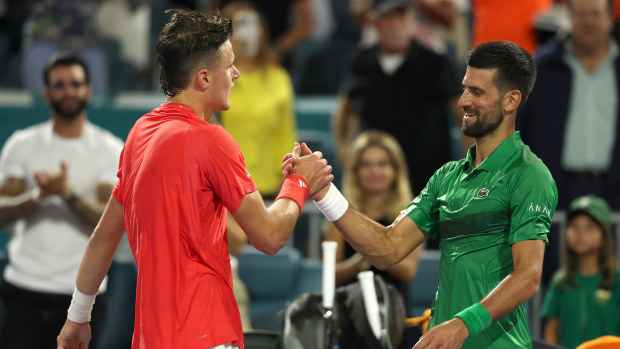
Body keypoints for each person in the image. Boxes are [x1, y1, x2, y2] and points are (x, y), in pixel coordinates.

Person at [56, 9, 332, 349]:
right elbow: (270, 237)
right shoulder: (213, 140)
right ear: (203, 79)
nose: (237, 73)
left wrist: (77, 317)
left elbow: (103, 238)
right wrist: (299, 183)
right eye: (229, 65)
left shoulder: (140, 134)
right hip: (208, 336)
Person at [286, 41, 558, 348]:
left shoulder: (529, 174)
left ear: (511, 101)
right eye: (465, 88)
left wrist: (461, 326)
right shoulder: (447, 177)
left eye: (477, 92)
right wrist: (324, 192)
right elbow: (387, 248)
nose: (464, 101)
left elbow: (528, 276)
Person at [0, 53, 124, 348]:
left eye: (76, 83)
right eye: (59, 85)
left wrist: (65, 194)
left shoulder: (109, 149)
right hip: (23, 290)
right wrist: (37, 197)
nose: (68, 91)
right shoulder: (22, 143)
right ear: (46, 93)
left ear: (88, 90)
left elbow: (108, 223)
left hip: (82, 296)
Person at [335, 0, 468, 199]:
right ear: (375, 23)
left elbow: (464, 115)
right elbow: (343, 115)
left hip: (428, 181)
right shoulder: (360, 62)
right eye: (387, 19)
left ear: (412, 21)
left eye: (401, 18)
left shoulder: (436, 63)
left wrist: (470, 167)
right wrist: (347, 158)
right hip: (376, 187)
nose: (395, 26)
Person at [518, 0, 620, 210]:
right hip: (555, 191)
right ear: (569, 17)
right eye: (581, 13)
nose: (588, 21)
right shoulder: (542, 66)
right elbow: (520, 130)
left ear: (610, 18)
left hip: (615, 192)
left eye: (595, 14)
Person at [325, 130, 421, 312]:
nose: (374, 171)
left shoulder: (412, 212)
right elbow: (330, 274)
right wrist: (362, 258)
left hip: (394, 313)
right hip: (348, 311)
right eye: (366, 164)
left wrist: (369, 247)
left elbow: (408, 271)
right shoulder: (339, 213)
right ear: (355, 171)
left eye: (382, 164)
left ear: (395, 170)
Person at [219, 1, 297, 199]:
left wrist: (285, 182)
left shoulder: (279, 78)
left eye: (254, 24)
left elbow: (285, 135)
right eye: (240, 25)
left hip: (269, 187)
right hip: (223, 187)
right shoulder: (214, 78)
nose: (249, 32)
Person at [541, 195, 620, 349]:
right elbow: (551, 332)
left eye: (589, 227)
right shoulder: (560, 281)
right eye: (574, 226)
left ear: (604, 235)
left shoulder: (616, 278)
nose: (579, 233)